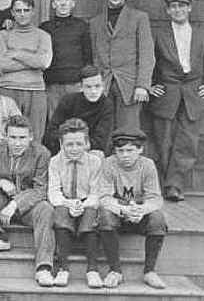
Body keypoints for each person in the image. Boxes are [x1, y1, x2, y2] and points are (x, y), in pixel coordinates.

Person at [149, 0, 204, 202]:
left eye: (182, 6)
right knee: (163, 141)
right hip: (166, 95)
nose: (178, 10)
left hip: (193, 97)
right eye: (173, 7)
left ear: (189, 8)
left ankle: (174, 185)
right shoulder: (159, 35)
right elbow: (147, 62)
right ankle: (164, 183)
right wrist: (149, 86)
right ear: (167, 10)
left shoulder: (203, 35)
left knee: (187, 142)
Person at [0, 115, 55, 287]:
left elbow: (40, 189)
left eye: (22, 138)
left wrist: (16, 204)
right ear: (5, 136)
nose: (17, 143)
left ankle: (43, 268)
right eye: (13, 137)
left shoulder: (41, 153)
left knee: (46, 209)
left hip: (27, 205)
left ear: (31, 137)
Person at [97, 127, 168, 289]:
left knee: (157, 218)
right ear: (115, 151)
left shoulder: (147, 165)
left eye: (130, 150)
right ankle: (115, 270)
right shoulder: (109, 164)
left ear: (140, 149)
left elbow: (155, 198)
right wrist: (123, 210)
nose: (125, 155)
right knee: (105, 215)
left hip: (139, 215)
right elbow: (104, 197)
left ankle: (150, 271)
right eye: (120, 151)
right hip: (118, 214)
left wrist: (141, 210)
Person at [89, 0, 155, 130]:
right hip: (103, 84)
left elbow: (147, 53)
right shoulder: (95, 22)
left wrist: (142, 85)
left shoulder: (139, 18)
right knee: (103, 129)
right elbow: (93, 55)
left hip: (129, 85)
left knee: (129, 130)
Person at [47, 118, 103, 288]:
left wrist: (83, 205)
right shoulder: (55, 162)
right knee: (60, 214)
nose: (74, 149)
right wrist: (67, 203)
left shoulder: (95, 161)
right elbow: (54, 192)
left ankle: (92, 269)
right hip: (65, 201)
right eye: (69, 144)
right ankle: (63, 268)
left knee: (92, 214)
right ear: (61, 143)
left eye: (79, 144)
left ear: (87, 143)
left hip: (87, 201)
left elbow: (96, 192)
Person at [0, 0, 52, 143]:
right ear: (12, 12)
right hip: (8, 89)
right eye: (18, 10)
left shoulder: (43, 36)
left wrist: (16, 53)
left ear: (32, 12)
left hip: (35, 90)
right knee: (7, 135)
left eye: (26, 10)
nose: (22, 14)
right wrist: (31, 59)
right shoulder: (3, 35)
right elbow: (0, 65)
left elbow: (44, 62)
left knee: (35, 136)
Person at [39, 0, 92, 121]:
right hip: (53, 84)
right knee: (55, 120)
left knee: (77, 122)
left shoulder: (82, 26)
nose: (63, 3)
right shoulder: (45, 28)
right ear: (53, 4)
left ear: (72, 3)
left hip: (75, 83)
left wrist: (86, 80)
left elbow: (88, 56)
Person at [44, 65, 113, 155]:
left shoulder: (107, 105)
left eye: (97, 86)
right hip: (65, 148)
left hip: (91, 150)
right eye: (88, 87)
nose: (93, 91)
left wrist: (78, 146)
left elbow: (101, 140)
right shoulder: (68, 101)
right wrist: (70, 145)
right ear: (81, 86)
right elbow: (52, 132)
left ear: (103, 85)